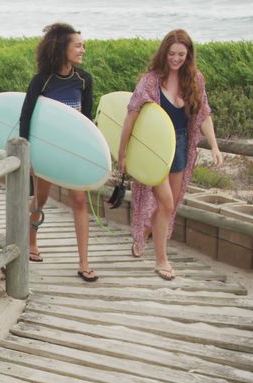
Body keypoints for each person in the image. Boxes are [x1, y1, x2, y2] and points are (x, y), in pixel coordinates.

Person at [117, 29, 223, 280]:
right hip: (153, 147)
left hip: (180, 145)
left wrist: (215, 146)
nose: (176, 58)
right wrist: (122, 155)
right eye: (172, 53)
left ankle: (144, 232)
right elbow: (131, 117)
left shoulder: (195, 79)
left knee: (169, 206)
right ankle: (161, 260)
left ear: (188, 55)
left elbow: (203, 114)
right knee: (165, 202)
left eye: (181, 54)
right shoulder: (150, 81)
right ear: (164, 53)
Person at [18, 22, 98, 282]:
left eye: (83, 45)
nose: (82, 49)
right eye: (78, 45)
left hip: (73, 151)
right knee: (40, 199)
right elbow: (26, 118)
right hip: (48, 150)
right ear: (62, 47)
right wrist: (27, 156)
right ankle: (31, 240)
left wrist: (91, 155)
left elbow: (86, 122)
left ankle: (84, 263)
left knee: (79, 201)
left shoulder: (84, 80)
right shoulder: (42, 80)